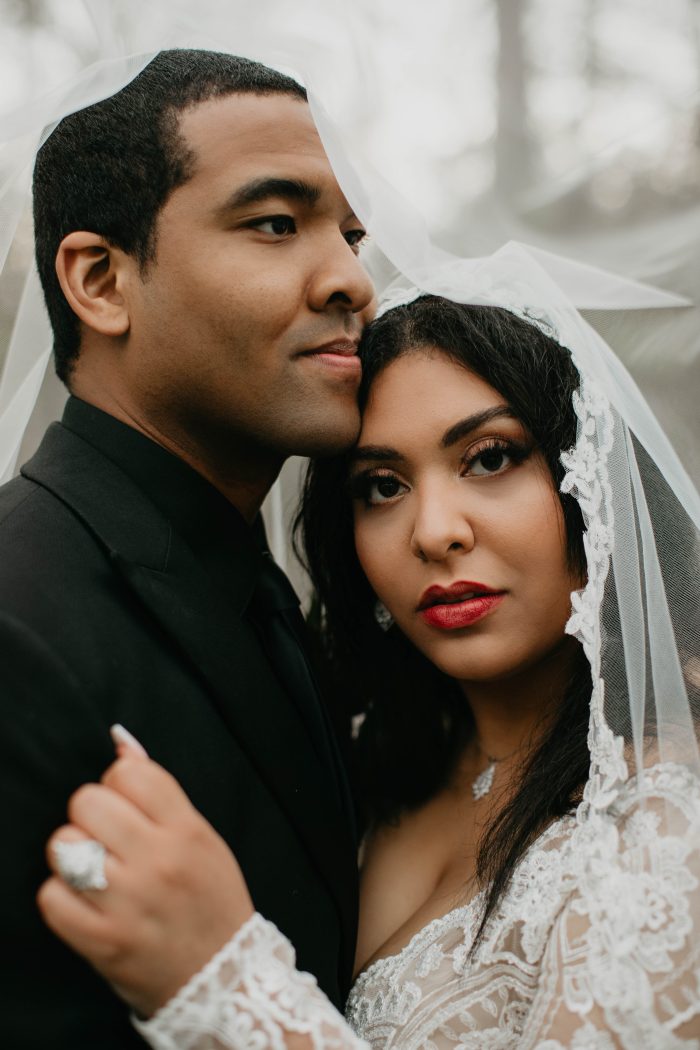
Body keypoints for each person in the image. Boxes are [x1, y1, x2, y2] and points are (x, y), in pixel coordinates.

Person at [38, 264, 700, 1046]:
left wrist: (222, 982)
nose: (433, 531)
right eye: (382, 486)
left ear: (590, 486)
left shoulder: (666, 815)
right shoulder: (362, 771)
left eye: (489, 458)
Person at [0, 47, 375, 1048]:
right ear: (100, 280)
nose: (349, 278)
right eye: (275, 224)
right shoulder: (17, 626)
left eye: (349, 232)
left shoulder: (283, 591)